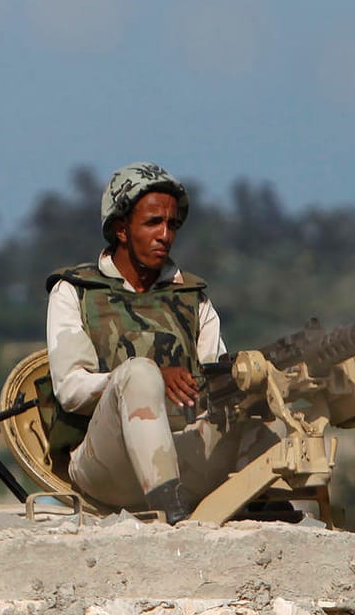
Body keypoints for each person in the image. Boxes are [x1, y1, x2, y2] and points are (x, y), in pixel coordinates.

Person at [44, 163, 274, 522]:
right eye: (153, 223)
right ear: (121, 229)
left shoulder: (192, 298)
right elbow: (71, 389)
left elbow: (216, 380)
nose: (165, 235)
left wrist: (253, 384)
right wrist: (139, 378)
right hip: (106, 466)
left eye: (172, 225)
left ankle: (271, 506)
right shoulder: (75, 292)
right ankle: (170, 513)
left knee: (264, 396)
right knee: (139, 374)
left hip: (183, 456)